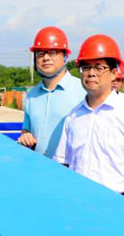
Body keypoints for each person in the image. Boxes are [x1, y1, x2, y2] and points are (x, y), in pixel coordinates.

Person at [54, 34, 124, 203]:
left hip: (118, 202)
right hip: (78, 201)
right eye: (86, 67)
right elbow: (63, 163)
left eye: (99, 68)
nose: (91, 73)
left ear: (114, 73)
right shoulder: (73, 117)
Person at [18, 26, 85, 158]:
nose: (46, 58)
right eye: (41, 54)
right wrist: (25, 135)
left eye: (52, 52)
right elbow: (27, 129)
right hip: (38, 169)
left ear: (65, 56)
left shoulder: (83, 91)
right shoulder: (32, 95)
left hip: (70, 172)